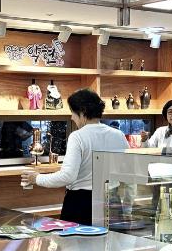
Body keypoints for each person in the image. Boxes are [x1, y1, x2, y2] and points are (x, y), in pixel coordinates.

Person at [21, 89, 128, 226]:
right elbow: (126, 170)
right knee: (112, 240)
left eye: (73, 112)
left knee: (77, 240)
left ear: (82, 112)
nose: (72, 117)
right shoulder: (118, 135)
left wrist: (36, 178)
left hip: (82, 203)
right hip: (112, 200)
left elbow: (67, 176)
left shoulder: (78, 136)